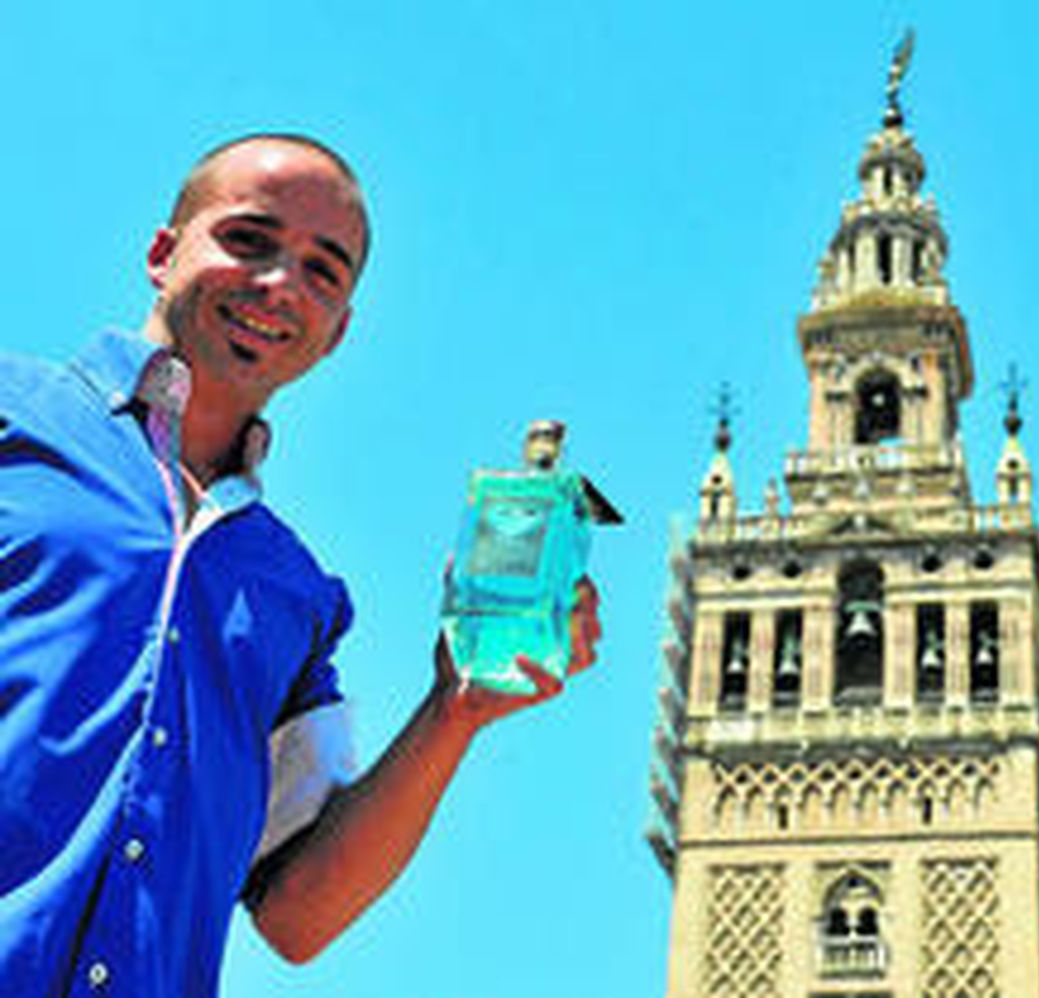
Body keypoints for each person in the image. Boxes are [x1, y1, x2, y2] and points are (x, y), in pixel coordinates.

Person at [0, 134, 602, 995]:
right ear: (163, 253)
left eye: (323, 271)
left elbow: (297, 912)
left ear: (338, 332)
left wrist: (456, 710)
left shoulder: (294, 592)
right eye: (248, 239)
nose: (280, 284)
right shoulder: (13, 422)